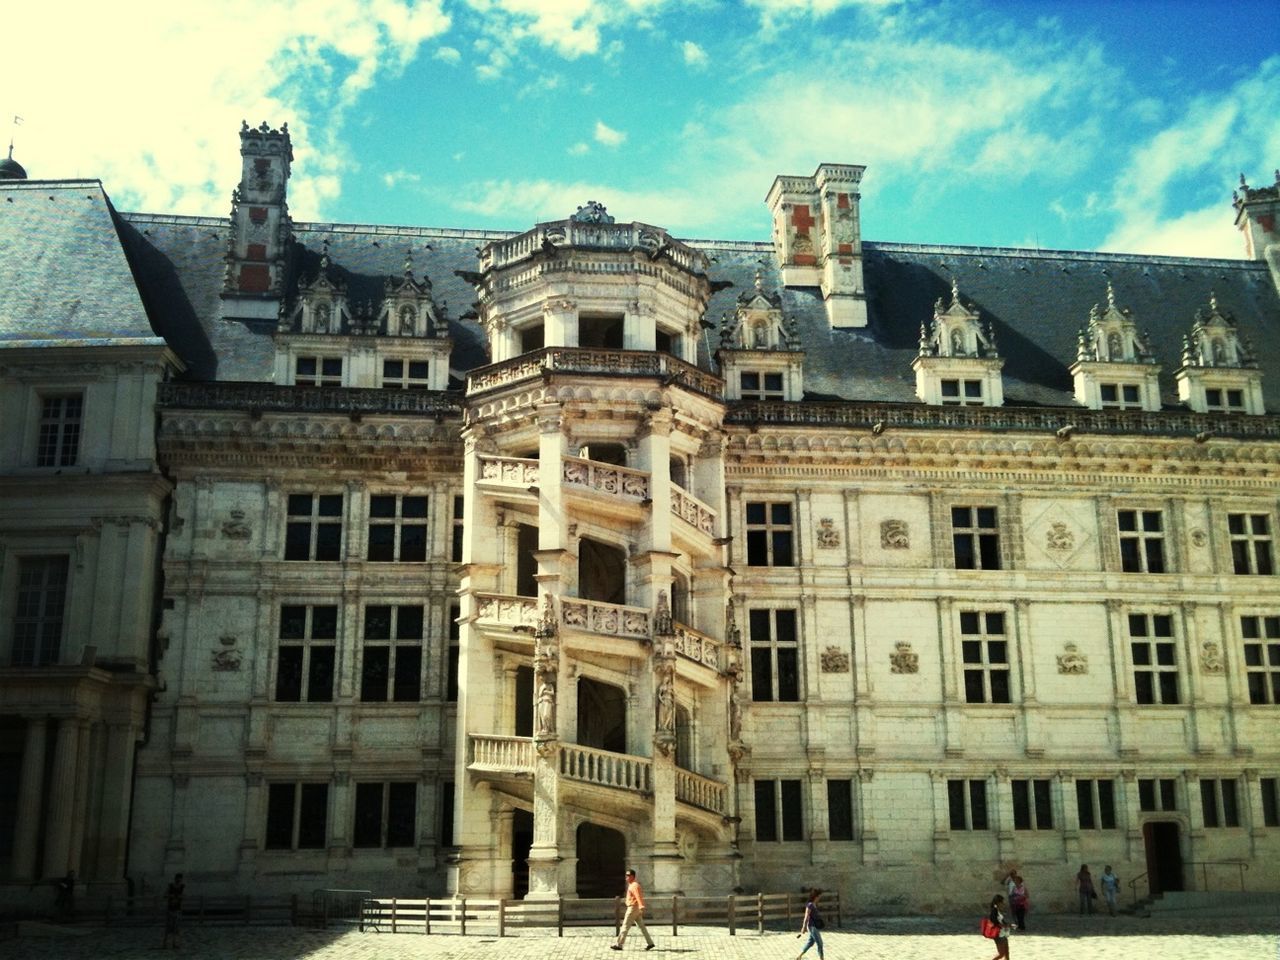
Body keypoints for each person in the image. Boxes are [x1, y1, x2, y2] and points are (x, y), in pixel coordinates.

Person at [610, 868, 654, 951]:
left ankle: (619, 944)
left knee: (625, 926)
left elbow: (638, 896)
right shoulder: (632, 885)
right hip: (635, 908)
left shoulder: (634, 885)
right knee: (642, 927)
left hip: (633, 908)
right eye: (626, 875)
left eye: (628, 875)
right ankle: (650, 943)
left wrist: (641, 906)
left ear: (632, 876)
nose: (626, 877)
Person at [796, 888, 825, 960]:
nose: (819, 898)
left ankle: (799, 957)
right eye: (819, 897)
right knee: (820, 943)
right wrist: (804, 927)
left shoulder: (814, 905)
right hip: (812, 927)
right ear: (816, 897)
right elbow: (806, 916)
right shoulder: (810, 905)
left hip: (814, 926)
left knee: (810, 942)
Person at [162, 873, 185, 949]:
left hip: (177, 909)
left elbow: (184, 896)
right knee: (169, 928)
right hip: (170, 909)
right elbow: (165, 895)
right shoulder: (170, 886)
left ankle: (176, 943)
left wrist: (180, 897)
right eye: (178, 878)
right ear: (175, 879)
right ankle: (166, 944)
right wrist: (170, 896)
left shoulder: (182, 887)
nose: (179, 880)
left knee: (177, 928)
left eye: (180, 879)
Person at [987, 894, 1012, 959]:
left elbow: (1001, 921)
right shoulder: (994, 910)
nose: (1003, 904)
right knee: (1001, 954)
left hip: (1003, 933)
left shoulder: (997, 910)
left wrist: (1009, 925)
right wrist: (1004, 925)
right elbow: (994, 922)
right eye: (1002, 902)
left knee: (1006, 952)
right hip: (998, 934)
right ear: (998, 902)